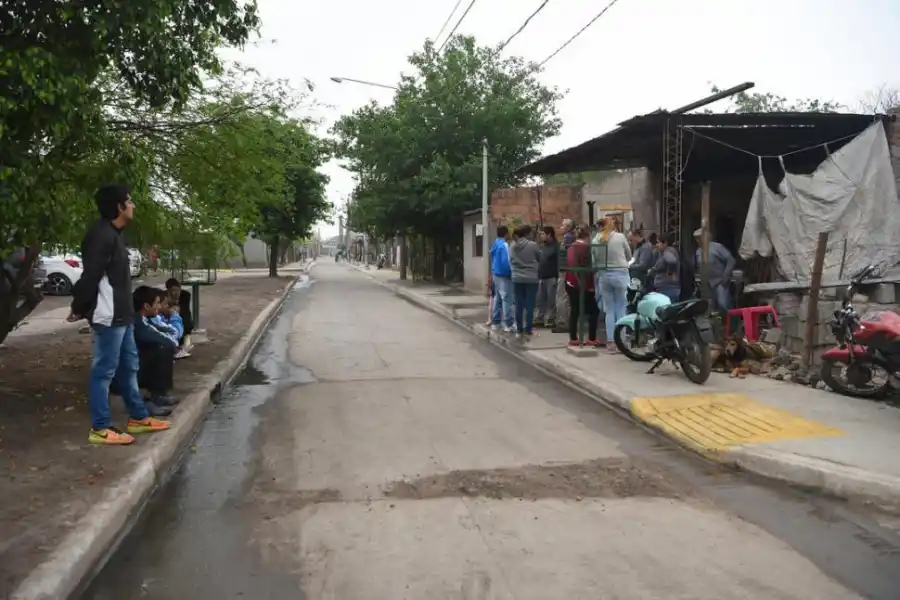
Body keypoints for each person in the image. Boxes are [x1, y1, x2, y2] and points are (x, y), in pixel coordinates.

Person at [69, 184, 170, 445]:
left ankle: (137, 417)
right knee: (104, 371)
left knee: (129, 368)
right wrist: (79, 306)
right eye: (130, 201)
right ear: (118, 206)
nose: (133, 205)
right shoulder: (100, 236)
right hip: (109, 316)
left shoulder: (114, 234)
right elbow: (90, 276)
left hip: (123, 316)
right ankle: (100, 428)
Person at [133, 286, 179, 409]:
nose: (159, 307)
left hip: (136, 363)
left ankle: (157, 394)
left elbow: (170, 332)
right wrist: (172, 344)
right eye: (157, 303)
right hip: (131, 368)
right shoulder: (139, 324)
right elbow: (168, 340)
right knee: (162, 348)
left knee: (162, 347)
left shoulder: (147, 319)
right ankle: (153, 397)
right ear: (147, 306)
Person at [597, 219, 632, 353]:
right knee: (621, 308)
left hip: (604, 275)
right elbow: (629, 255)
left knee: (609, 310)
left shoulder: (597, 238)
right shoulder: (620, 237)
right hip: (621, 274)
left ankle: (611, 342)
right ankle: (621, 341)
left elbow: (594, 256)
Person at [565, 226, 600, 347]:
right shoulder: (585, 248)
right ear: (587, 236)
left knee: (574, 311)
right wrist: (590, 286)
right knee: (594, 311)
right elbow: (587, 269)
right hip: (581, 284)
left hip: (570, 282)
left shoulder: (571, 247)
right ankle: (591, 337)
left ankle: (573, 337)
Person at [693, 228, 736, 312]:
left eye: (699, 238)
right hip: (706, 283)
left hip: (720, 281)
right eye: (696, 238)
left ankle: (732, 323)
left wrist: (725, 276)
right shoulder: (698, 251)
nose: (697, 240)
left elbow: (731, 260)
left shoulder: (717, 247)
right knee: (711, 308)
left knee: (723, 304)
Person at [509, 225, 541, 338]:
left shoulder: (512, 246)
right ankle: (528, 329)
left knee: (518, 304)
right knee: (530, 305)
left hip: (517, 278)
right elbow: (539, 258)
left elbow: (510, 260)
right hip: (531, 278)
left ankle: (519, 330)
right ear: (527, 234)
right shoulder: (533, 245)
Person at [488, 225, 515, 332]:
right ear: (506, 233)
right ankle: (508, 324)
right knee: (506, 299)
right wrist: (510, 273)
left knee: (497, 299)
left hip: (496, 274)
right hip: (504, 275)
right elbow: (507, 261)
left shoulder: (495, 244)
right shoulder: (504, 245)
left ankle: (496, 322)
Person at [554, 219, 577, 332]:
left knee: (561, 296)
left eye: (563, 225)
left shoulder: (568, 238)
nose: (560, 227)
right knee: (565, 297)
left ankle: (563, 323)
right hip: (566, 270)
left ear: (568, 227)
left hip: (565, 270)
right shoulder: (569, 237)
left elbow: (566, 254)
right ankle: (566, 321)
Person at [535, 226, 559, 329]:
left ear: (549, 234)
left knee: (551, 300)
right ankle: (539, 318)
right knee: (540, 299)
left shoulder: (556, 246)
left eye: (543, 234)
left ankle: (551, 318)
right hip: (542, 276)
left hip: (551, 276)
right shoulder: (542, 246)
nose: (541, 236)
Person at [165, 278, 194, 350]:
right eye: (172, 290)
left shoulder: (185, 295)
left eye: (177, 290)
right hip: (169, 317)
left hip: (182, 315)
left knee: (186, 318)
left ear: (180, 289)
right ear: (168, 290)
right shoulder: (164, 296)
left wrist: (173, 303)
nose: (175, 293)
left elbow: (183, 309)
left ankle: (186, 338)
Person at [653, 232, 682, 303]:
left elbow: (672, 261)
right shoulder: (665, 252)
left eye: (658, 242)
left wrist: (670, 272)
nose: (656, 245)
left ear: (665, 243)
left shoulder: (668, 252)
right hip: (667, 287)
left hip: (667, 288)